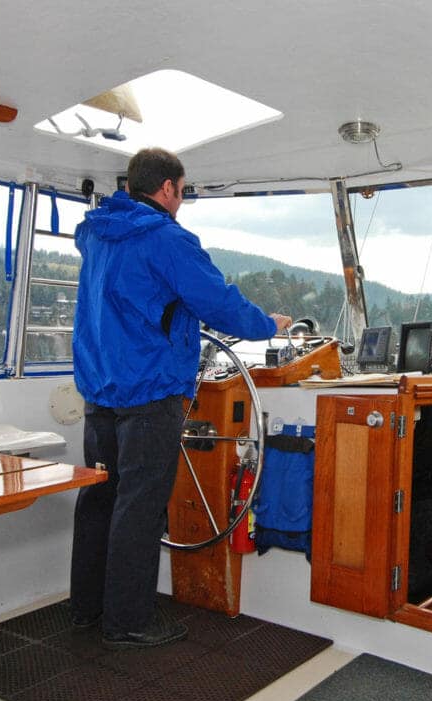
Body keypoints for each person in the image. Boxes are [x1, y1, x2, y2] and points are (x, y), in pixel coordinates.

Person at [70, 147, 292, 649]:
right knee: (140, 507)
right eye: (183, 191)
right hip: (150, 393)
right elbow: (217, 302)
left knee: (100, 498)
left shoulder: (99, 234)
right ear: (168, 188)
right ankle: (128, 621)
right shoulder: (166, 238)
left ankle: (87, 607)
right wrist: (267, 325)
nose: (182, 200)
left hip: (100, 391)